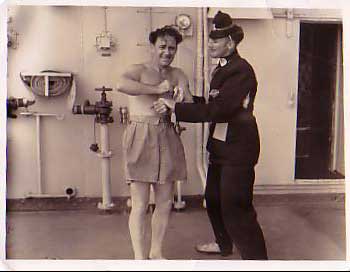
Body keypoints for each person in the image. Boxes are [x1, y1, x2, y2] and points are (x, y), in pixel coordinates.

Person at [153, 11, 268, 260]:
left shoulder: (241, 70)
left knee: (236, 207)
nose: (210, 44)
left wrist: (178, 108)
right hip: (221, 147)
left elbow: (221, 109)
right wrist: (188, 100)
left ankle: (258, 260)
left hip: (238, 148)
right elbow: (212, 103)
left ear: (231, 43)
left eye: (215, 41)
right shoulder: (222, 69)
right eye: (210, 40)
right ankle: (223, 244)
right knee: (214, 199)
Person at [117, 25, 193, 260]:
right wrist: (157, 89)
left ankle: (156, 252)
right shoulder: (138, 70)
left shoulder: (178, 73)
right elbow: (121, 85)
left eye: (172, 48)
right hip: (140, 134)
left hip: (167, 134)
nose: (167, 52)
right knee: (139, 204)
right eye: (162, 47)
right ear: (152, 47)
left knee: (164, 202)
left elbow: (189, 104)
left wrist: (179, 99)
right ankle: (140, 258)